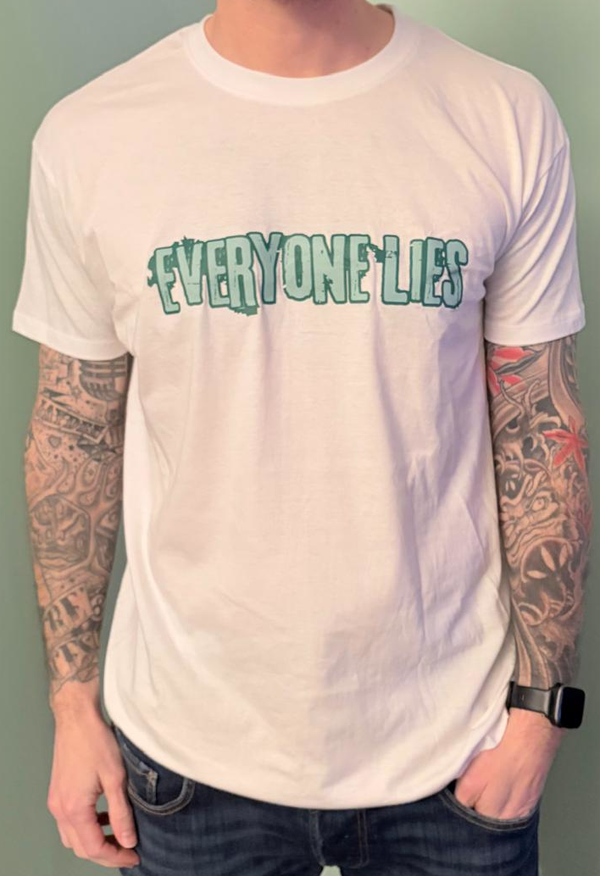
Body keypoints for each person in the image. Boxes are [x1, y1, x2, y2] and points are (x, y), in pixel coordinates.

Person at [11, 0, 592, 873]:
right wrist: (71, 706)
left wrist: (541, 714)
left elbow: (539, 428)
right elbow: (73, 434)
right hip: (189, 755)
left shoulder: (502, 114)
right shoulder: (89, 136)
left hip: (455, 751)